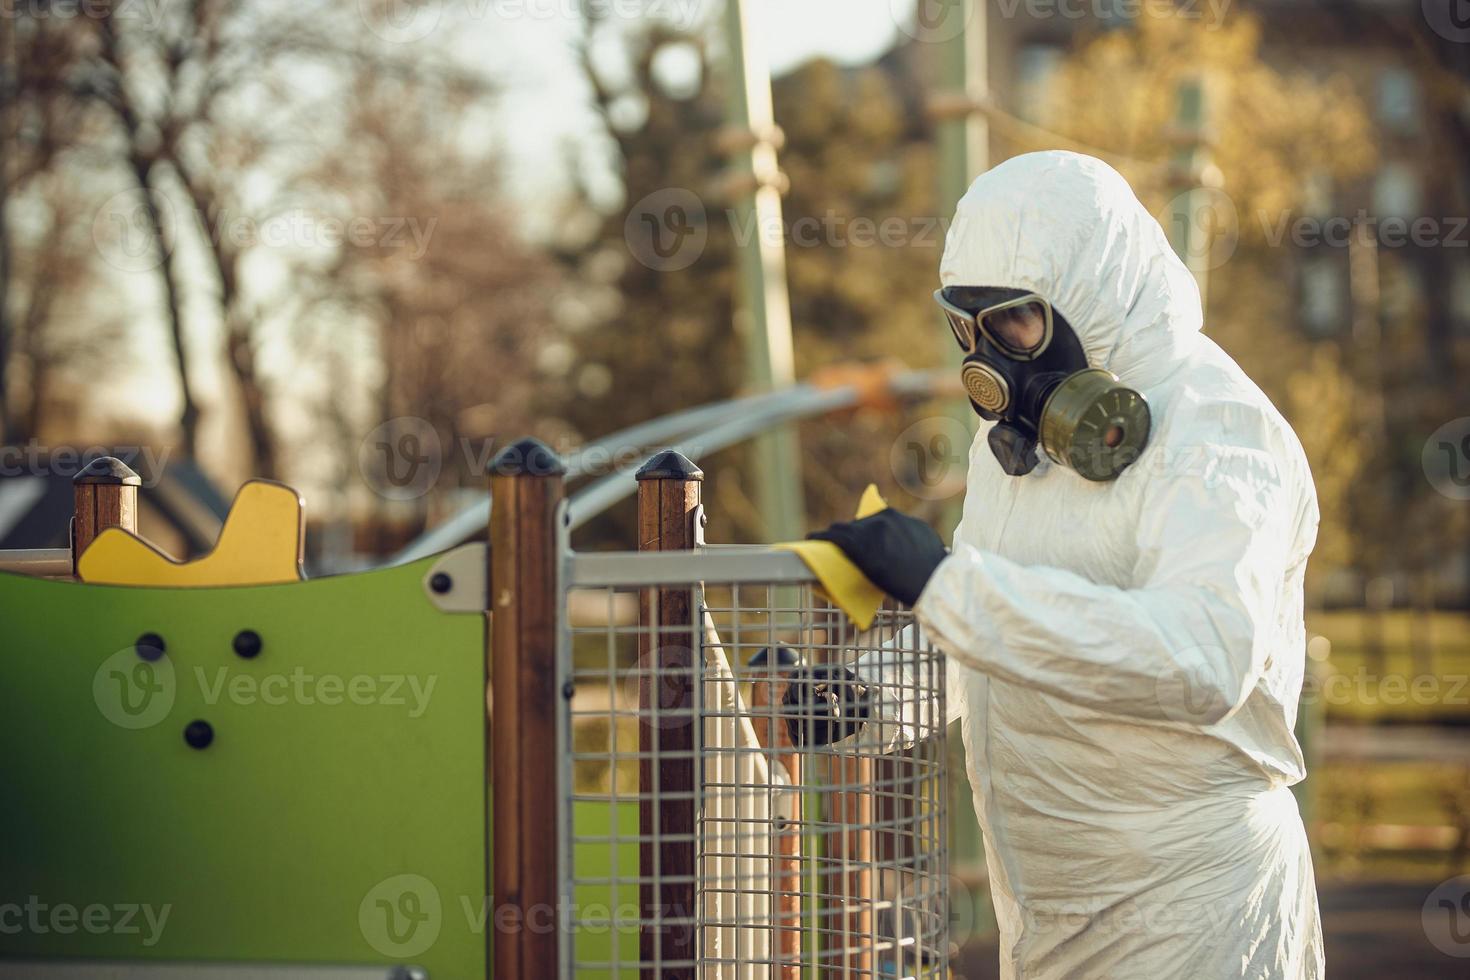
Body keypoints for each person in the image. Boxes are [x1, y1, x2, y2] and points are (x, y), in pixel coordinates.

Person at [808, 151, 1324, 978]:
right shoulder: (1014, 451)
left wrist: (947, 584)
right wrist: (854, 698)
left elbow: (1202, 657)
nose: (991, 361)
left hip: (1194, 916)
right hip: (1051, 918)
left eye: (1013, 323)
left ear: (1093, 293)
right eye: (967, 327)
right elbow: (993, 637)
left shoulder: (1218, 430)